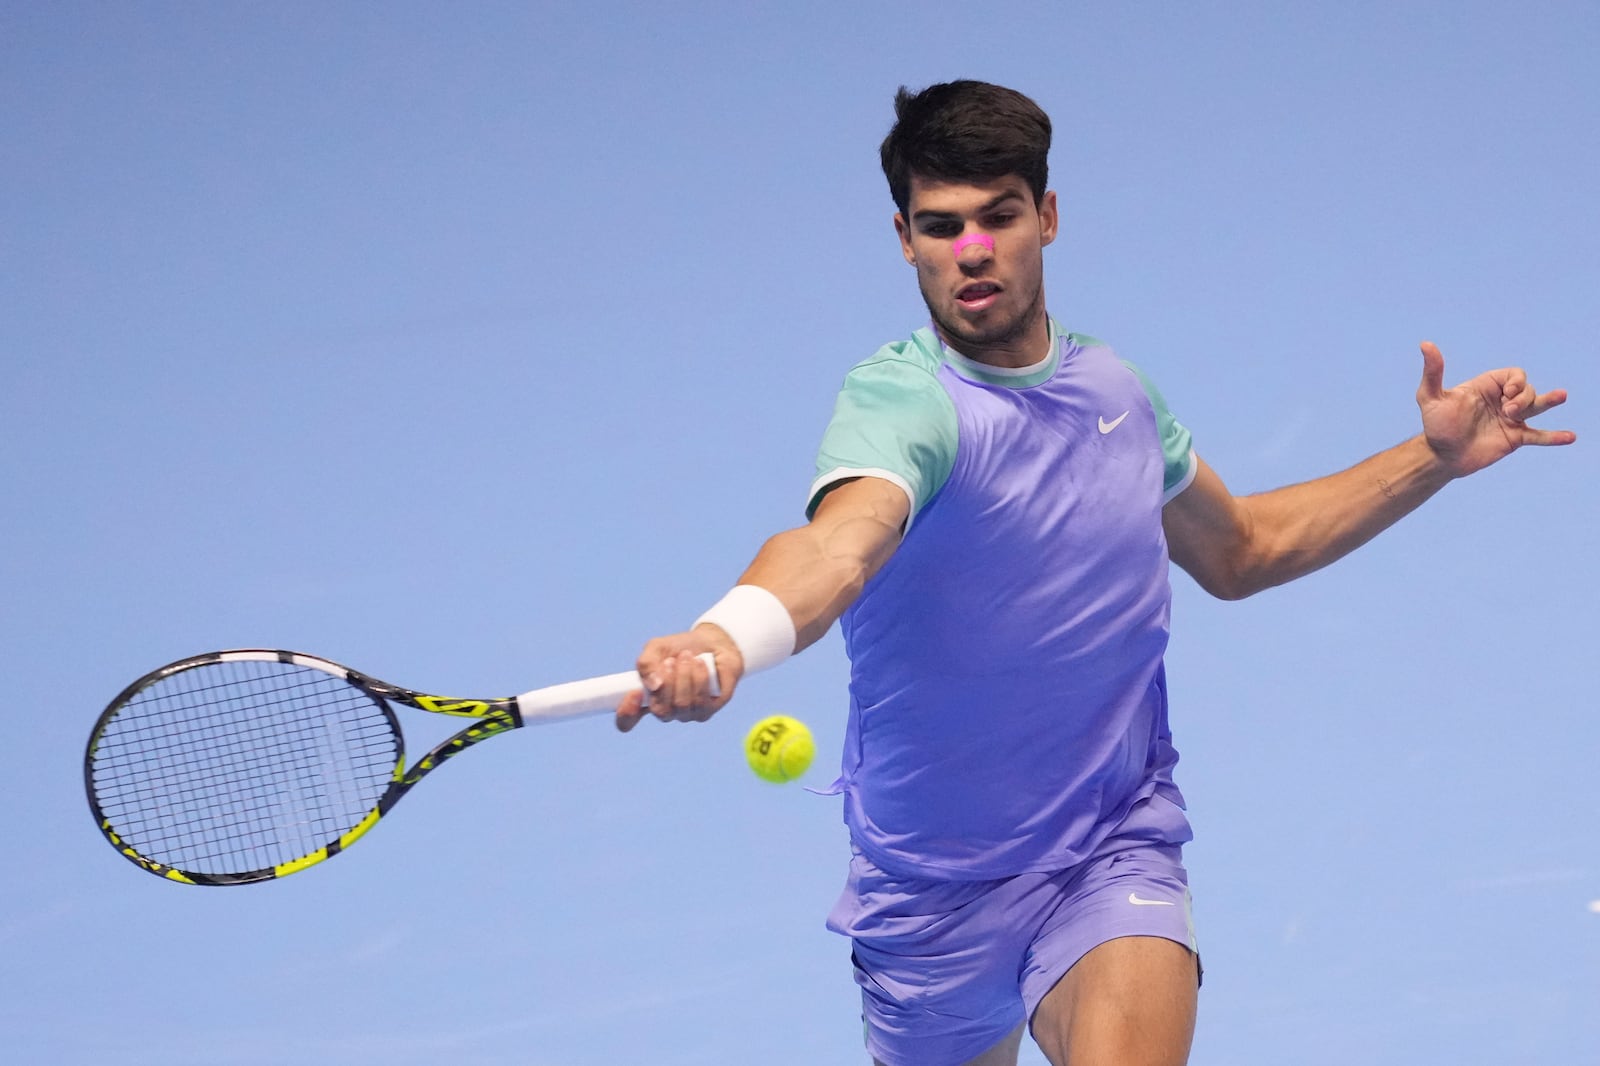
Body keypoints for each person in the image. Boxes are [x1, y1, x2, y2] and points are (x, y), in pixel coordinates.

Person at [613, 80, 1575, 1066]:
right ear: (904, 238)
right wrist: (729, 632)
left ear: (1048, 217)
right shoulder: (901, 406)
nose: (972, 251)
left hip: (1109, 848)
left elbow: (1240, 549)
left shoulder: (1114, 393)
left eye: (999, 216)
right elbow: (835, 544)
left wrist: (1432, 459)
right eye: (941, 227)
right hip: (928, 891)